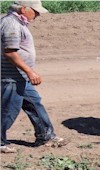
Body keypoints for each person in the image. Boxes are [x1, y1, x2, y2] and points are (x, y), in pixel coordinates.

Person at [1, 0, 65, 153]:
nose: (37, 15)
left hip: (20, 75)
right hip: (11, 76)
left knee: (34, 104)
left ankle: (46, 136)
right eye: (35, 11)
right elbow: (10, 52)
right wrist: (30, 71)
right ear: (24, 9)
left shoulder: (17, 22)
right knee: (9, 109)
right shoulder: (11, 24)